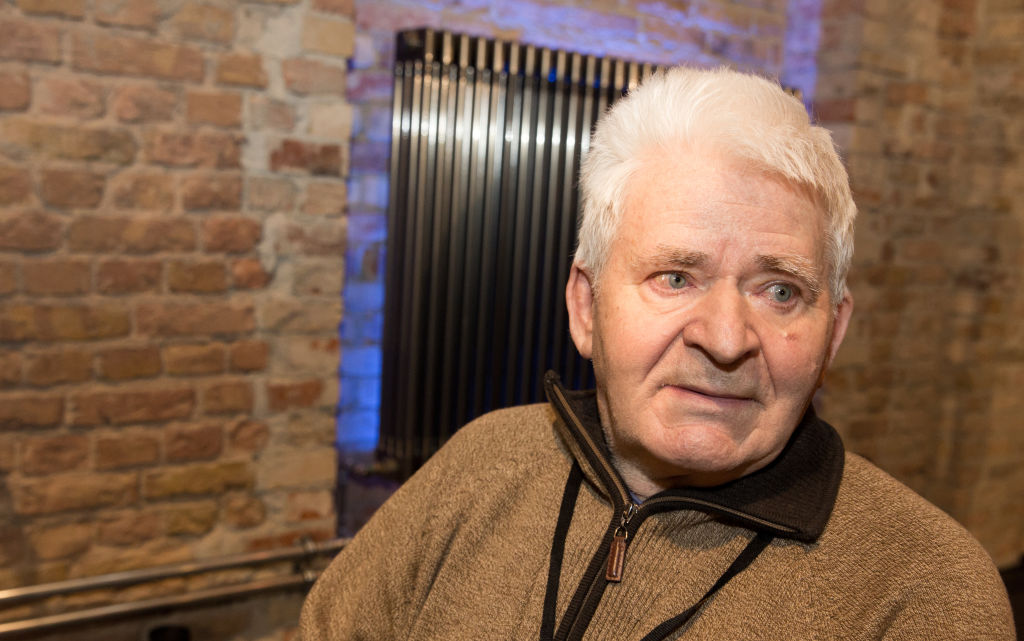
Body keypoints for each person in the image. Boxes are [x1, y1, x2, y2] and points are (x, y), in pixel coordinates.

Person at [299, 67, 1015, 640]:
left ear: (834, 332)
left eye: (781, 291)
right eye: (676, 276)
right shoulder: (478, 466)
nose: (726, 339)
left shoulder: (925, 594)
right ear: (585, 306)